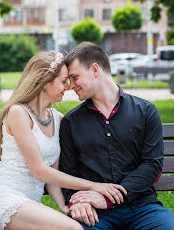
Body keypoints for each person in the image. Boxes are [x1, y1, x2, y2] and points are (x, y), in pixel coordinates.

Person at [0, 51, 126, 230]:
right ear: (45, 83)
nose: (68, 87)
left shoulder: (58, 119)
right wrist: (95, 187)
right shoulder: (18, 113)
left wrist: (65, 206)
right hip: (3, 198)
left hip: (29, 204)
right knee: (74, 229)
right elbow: (40, 171)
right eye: (64, 81)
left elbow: (52, 172)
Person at [59, 42, 174, 230]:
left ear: (95, 70)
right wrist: (78, 202)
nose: (71, 86)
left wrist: (109, 198)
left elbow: (152, 165)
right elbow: (68, 172)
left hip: (142, 208)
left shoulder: (146, 111)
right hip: (95, 213)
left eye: (75, 77)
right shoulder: (71, 122)